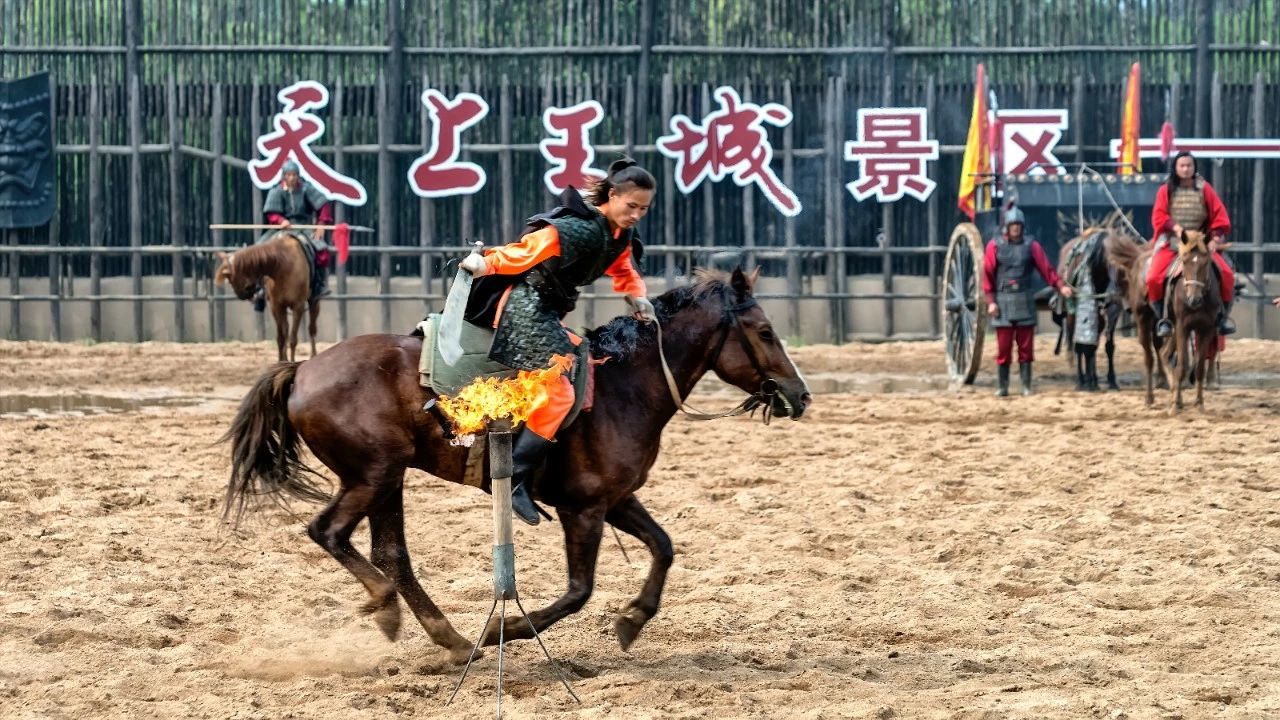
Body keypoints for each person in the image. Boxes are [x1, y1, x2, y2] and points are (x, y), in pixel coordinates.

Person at [458, 158, 658, 525]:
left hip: (549, 311)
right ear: (612, 196)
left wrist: (636, 296)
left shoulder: (620, 237)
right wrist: (486, 263)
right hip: (524, 307)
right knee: (561, 391)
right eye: (631, 206)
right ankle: (513, 476)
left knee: (584, 359)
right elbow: (526, 250)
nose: (636, 215)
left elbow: (624, 269)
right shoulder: (576, 229)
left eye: (643, 209)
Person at [982, 206, 1074, 397]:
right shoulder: (994, 246)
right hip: (1002, 301)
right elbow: (988, 275)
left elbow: (1046, 270)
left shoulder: (1032, 246)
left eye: (1018, 225)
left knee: (1026, 348)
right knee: (1004, 348)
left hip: (1024, 299)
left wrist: (1060, 286)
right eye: (1012, 225)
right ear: (1007, 227)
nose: (1015, 228)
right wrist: (991, 300)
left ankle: (1026, 385)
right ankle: (1003, 386)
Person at [1146, 151, 1235, 337]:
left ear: (1194, 167)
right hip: (1173, 243)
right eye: (1182, 166)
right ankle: (1164, 319)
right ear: (1176, 168)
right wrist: (1176, 228)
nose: (1186, 169)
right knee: (1153, 278)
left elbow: (1220, 215)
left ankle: (1222, 318)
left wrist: (1216, 238)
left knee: (1227, 275)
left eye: (1189, 165)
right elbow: (1159, 215)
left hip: (1201, 245)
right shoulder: (1166, 189)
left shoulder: (1205, 189)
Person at [253, 160, 334, 311]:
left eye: (294, 175)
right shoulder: (276, 191)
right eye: (289, 175)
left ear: (298, 176)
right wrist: (280, 220)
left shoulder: (306, 189)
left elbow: (323, 205)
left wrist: (321, 223)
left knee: (321, 249)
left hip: (304, 228)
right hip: (281, 229)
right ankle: (259, 290)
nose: (292, 178)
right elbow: (272, 213)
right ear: (284, 176)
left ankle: (318, 286)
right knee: (259, 251)